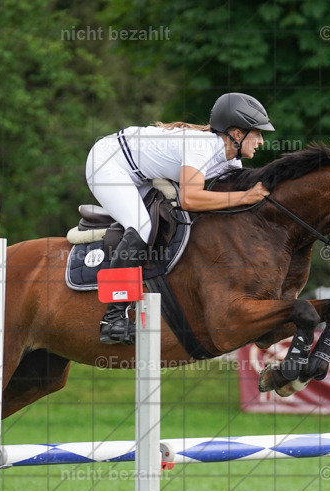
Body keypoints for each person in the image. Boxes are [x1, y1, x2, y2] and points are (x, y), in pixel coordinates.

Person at [86, 92, 274, 343]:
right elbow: (190, 198)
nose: (261, 141)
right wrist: (244, 197)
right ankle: (112, 319)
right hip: (108, 163)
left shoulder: (230, 161)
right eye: (257, 133)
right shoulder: (203, 146)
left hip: (138, 174)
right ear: (237, 134)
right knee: (142, 227)